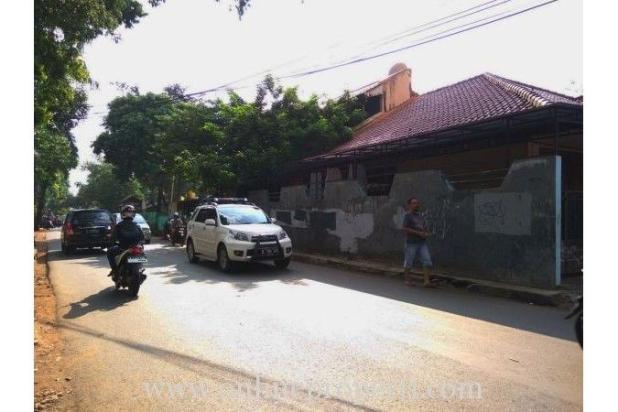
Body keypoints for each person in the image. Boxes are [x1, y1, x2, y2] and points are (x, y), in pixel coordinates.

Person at [402, 197, 434, 288]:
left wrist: (426, 233)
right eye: (414, 203)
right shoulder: (407, 216)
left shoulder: (420, 216)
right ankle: (407, 280)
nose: (416, 204)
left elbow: (423, 227)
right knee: (409, 261)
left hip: (422, 243)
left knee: (427, 260)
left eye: (417, 203)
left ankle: (426, 282)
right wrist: (418, 233)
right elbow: (404, 228)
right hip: (411, 243)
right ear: (410, 205)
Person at [107, 205, 144, 278]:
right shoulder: (137, 225)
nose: (128, 214)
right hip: (135, 247)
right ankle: (140, 269)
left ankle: (115, 270)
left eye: (129, 212)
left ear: (122, 214)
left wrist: (111, 243)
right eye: (128, 212)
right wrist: (140, 244)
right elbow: (142, 238)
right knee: (141, 253)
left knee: (109, 252)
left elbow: (113, 238)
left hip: (123, 248)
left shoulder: (119, 226)